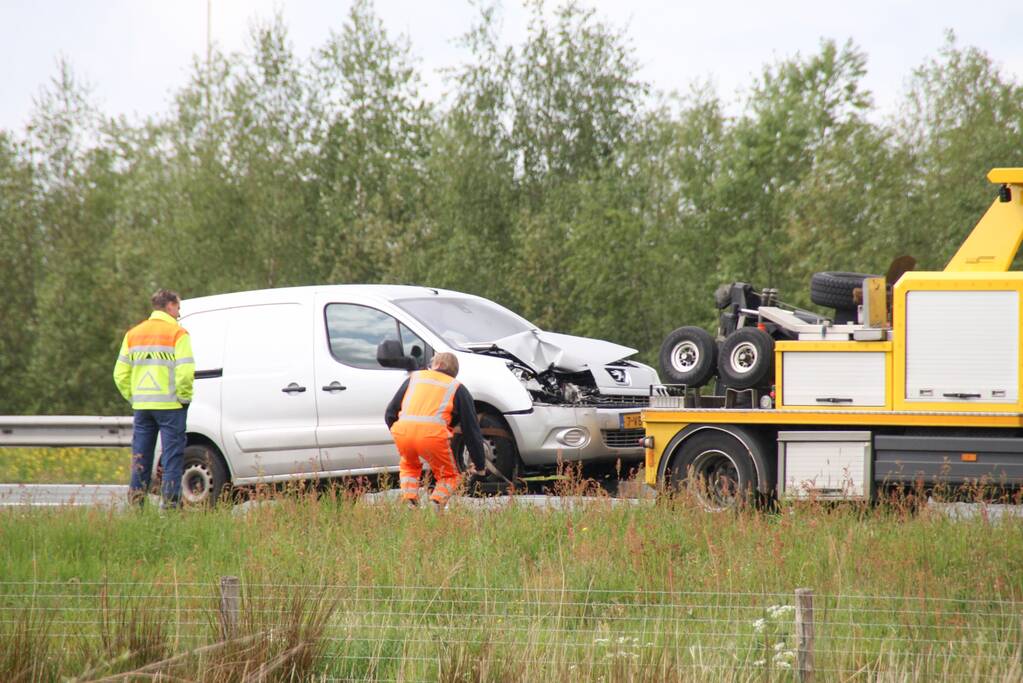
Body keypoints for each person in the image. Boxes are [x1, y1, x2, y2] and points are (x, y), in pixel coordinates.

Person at [113, 289, 195, 509]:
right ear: (169, 306)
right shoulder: (178, 334)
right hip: (170, 405)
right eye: (178, 307)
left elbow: (120, 374)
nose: (179, 313)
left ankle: (136, 503)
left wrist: (134, 397)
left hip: (142, 407)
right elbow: (185, 372)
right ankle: (170, 506)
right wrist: (184, 398)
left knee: (141, 456)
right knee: (172, 458)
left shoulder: (133, 334)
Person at [385, 352, 486, 509]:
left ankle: (410, 500)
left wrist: (398, 432)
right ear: (454, 372)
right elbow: (471, 431)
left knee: (409, 466)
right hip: (432, 436)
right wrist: (479, 465)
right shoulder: (456, 387)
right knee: (449, 475)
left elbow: (390, 413)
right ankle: (436, 503)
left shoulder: (414, 378)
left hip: (403, 432)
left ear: (436, 365)